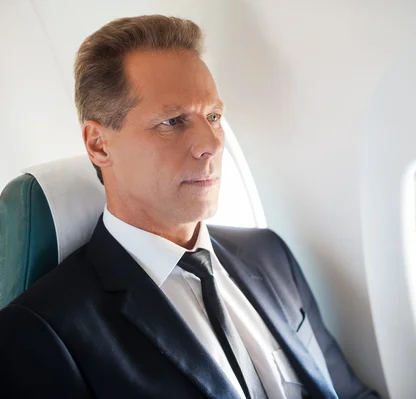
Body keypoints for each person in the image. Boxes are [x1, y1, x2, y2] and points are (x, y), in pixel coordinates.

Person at [0, 15, 378, 399]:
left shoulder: (269, 256)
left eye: (213, 116)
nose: (212, 144)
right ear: (99, 144)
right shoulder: (43, 332)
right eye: (173, 121)